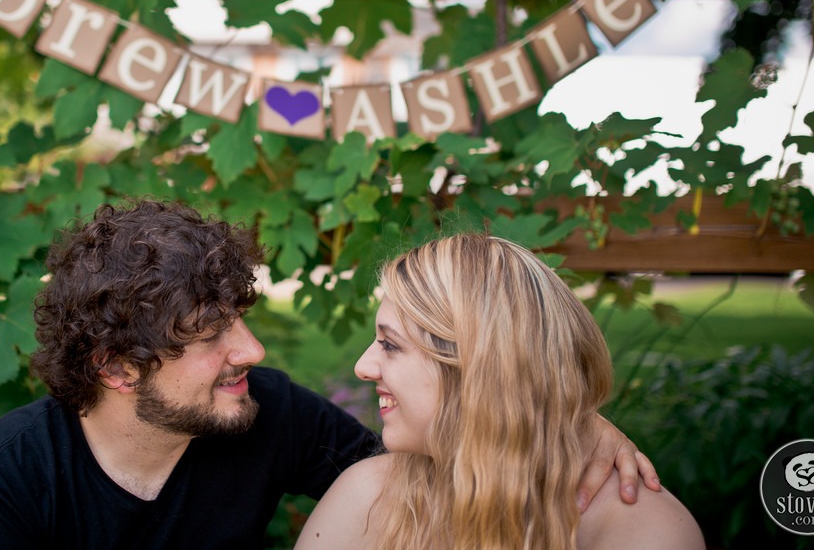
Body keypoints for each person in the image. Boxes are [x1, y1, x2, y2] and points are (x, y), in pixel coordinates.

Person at [0, 200, 660, 549]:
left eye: (241, 318)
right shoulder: (6, 480)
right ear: (120, 370)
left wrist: (568, 416)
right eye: (212, 336)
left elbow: (434, 461)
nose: (251, 351)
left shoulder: (267, 412)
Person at [296, 232, 705, 550]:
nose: (362, 367)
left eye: (391, 344)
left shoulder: (640, 530)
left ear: (480, 370)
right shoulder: (370, 494)